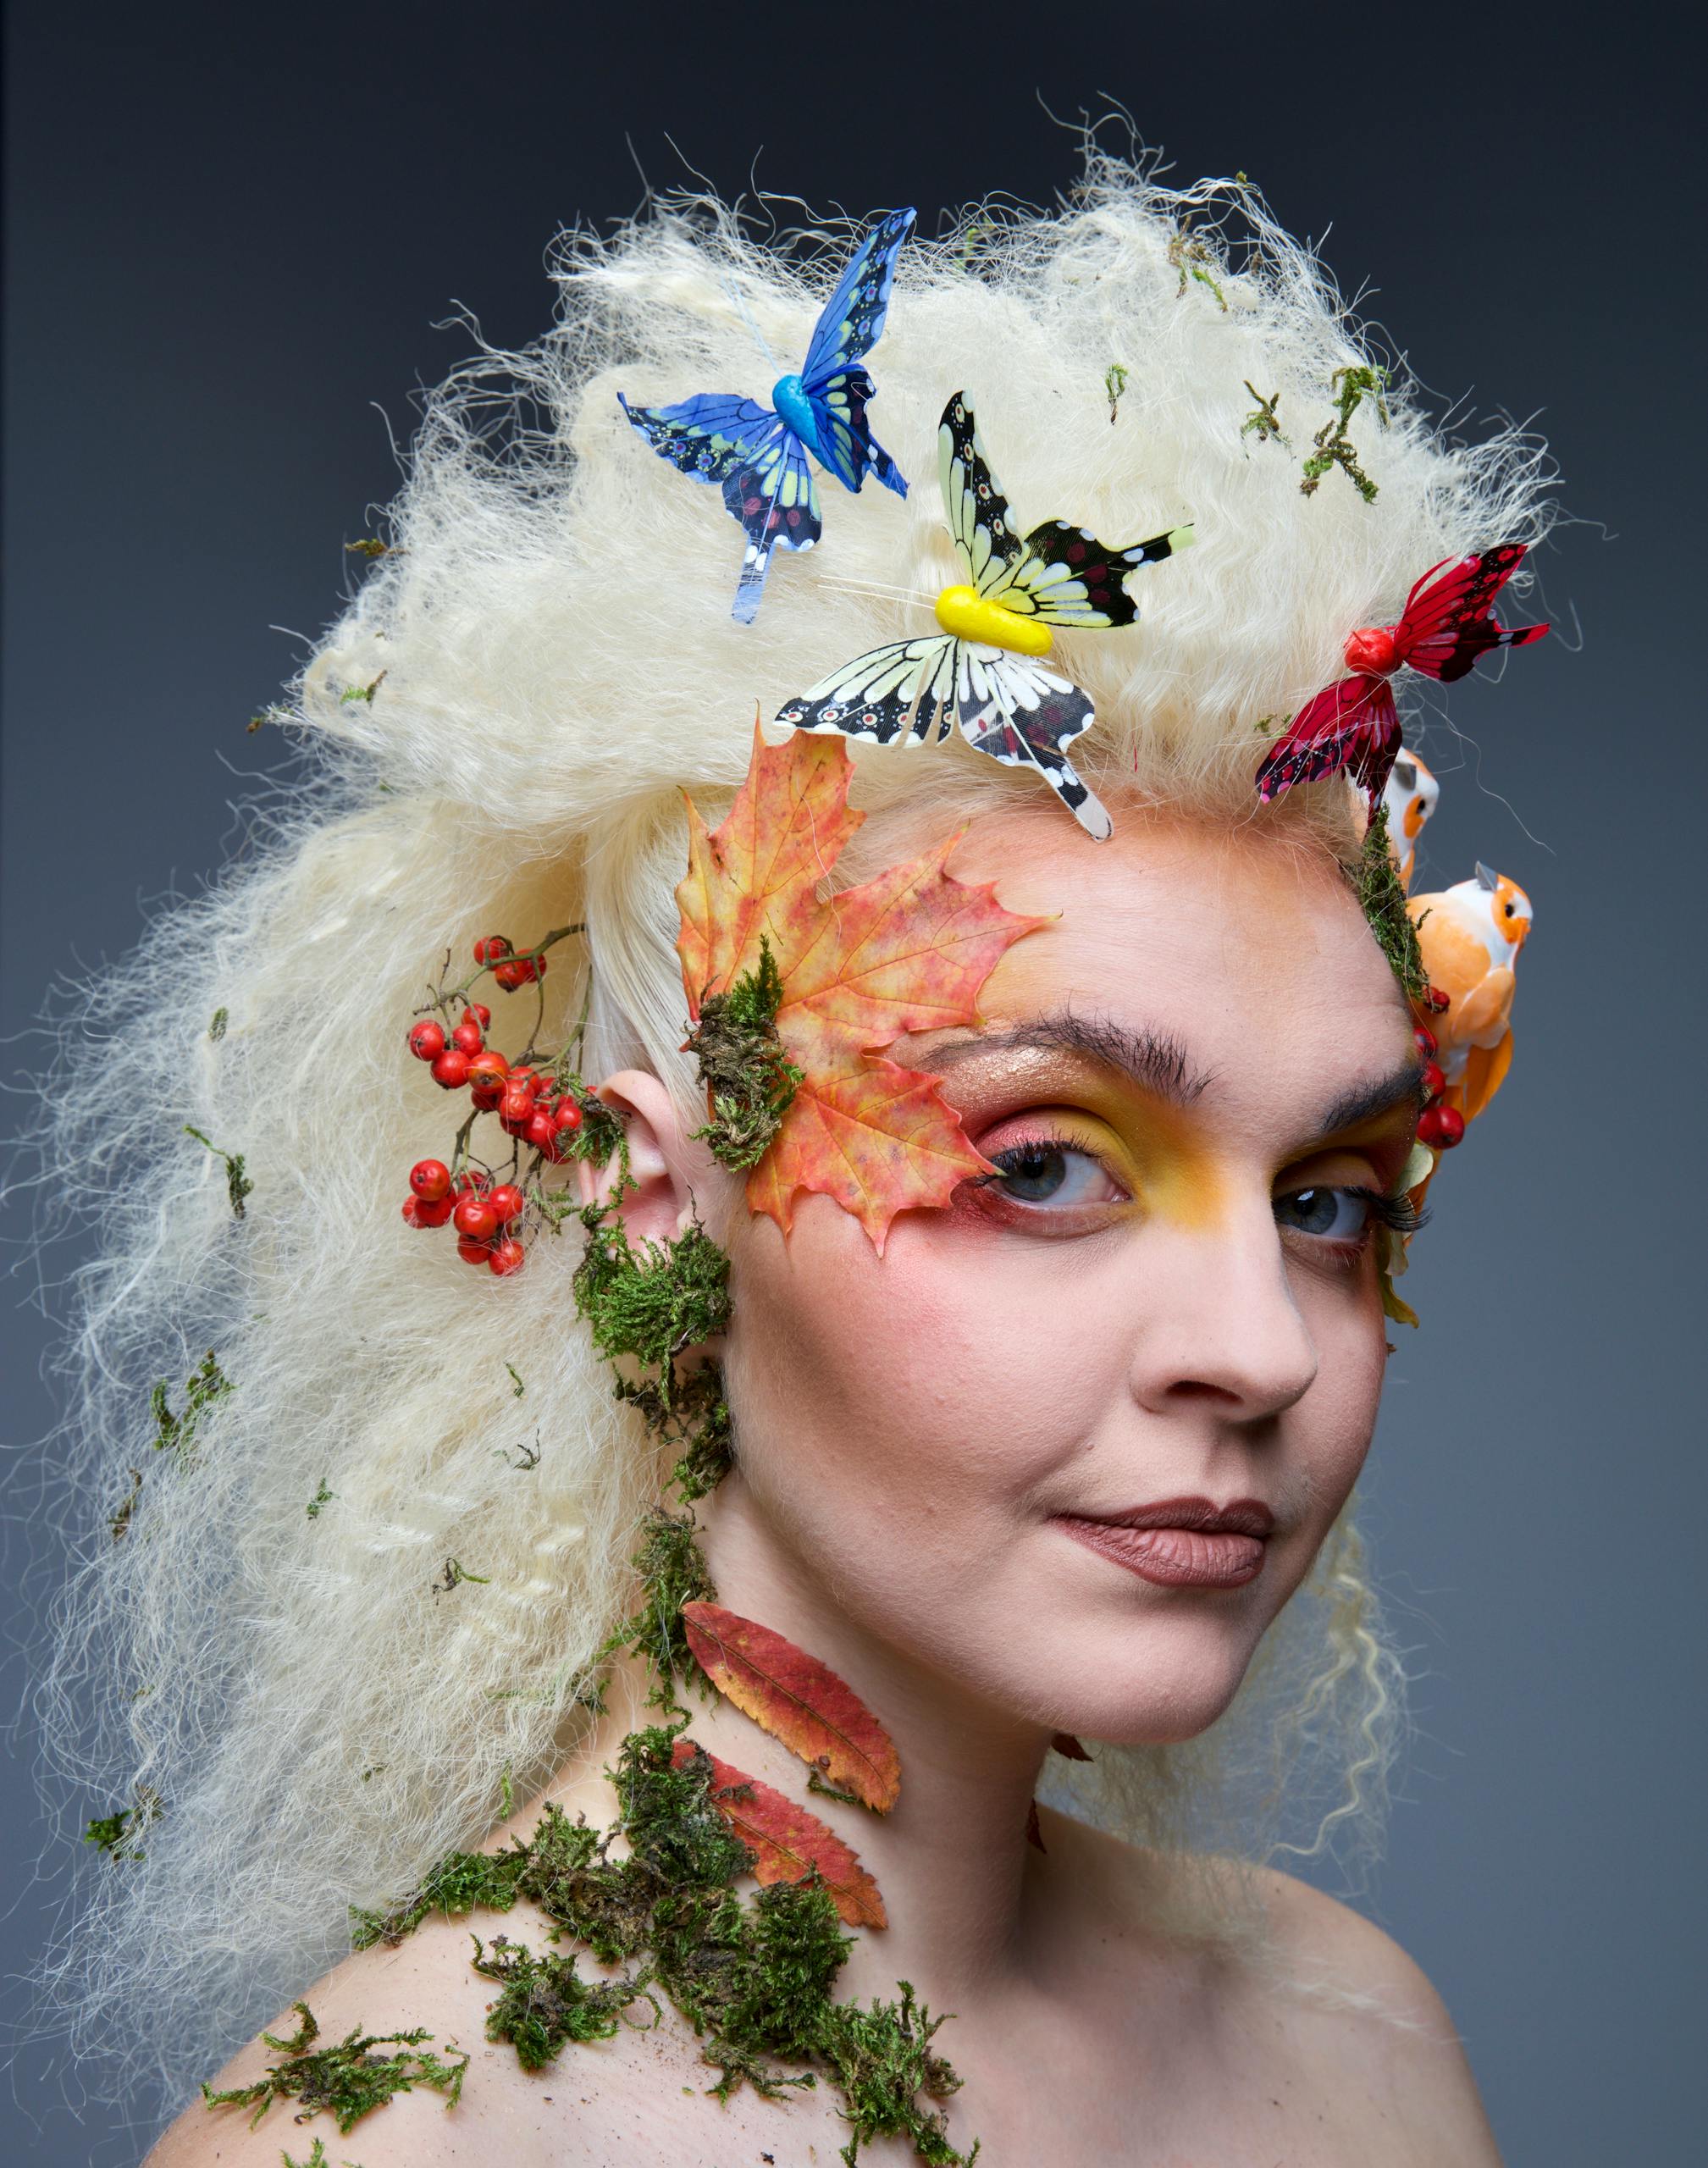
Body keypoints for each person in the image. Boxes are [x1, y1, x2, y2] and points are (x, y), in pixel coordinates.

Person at [39, 157, 1550, 2165]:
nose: (1259, 1347)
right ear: (656, 1202)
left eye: (1328, 1198)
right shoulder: (389, 2139)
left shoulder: (1357, 2047)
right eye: (1044, 1166)